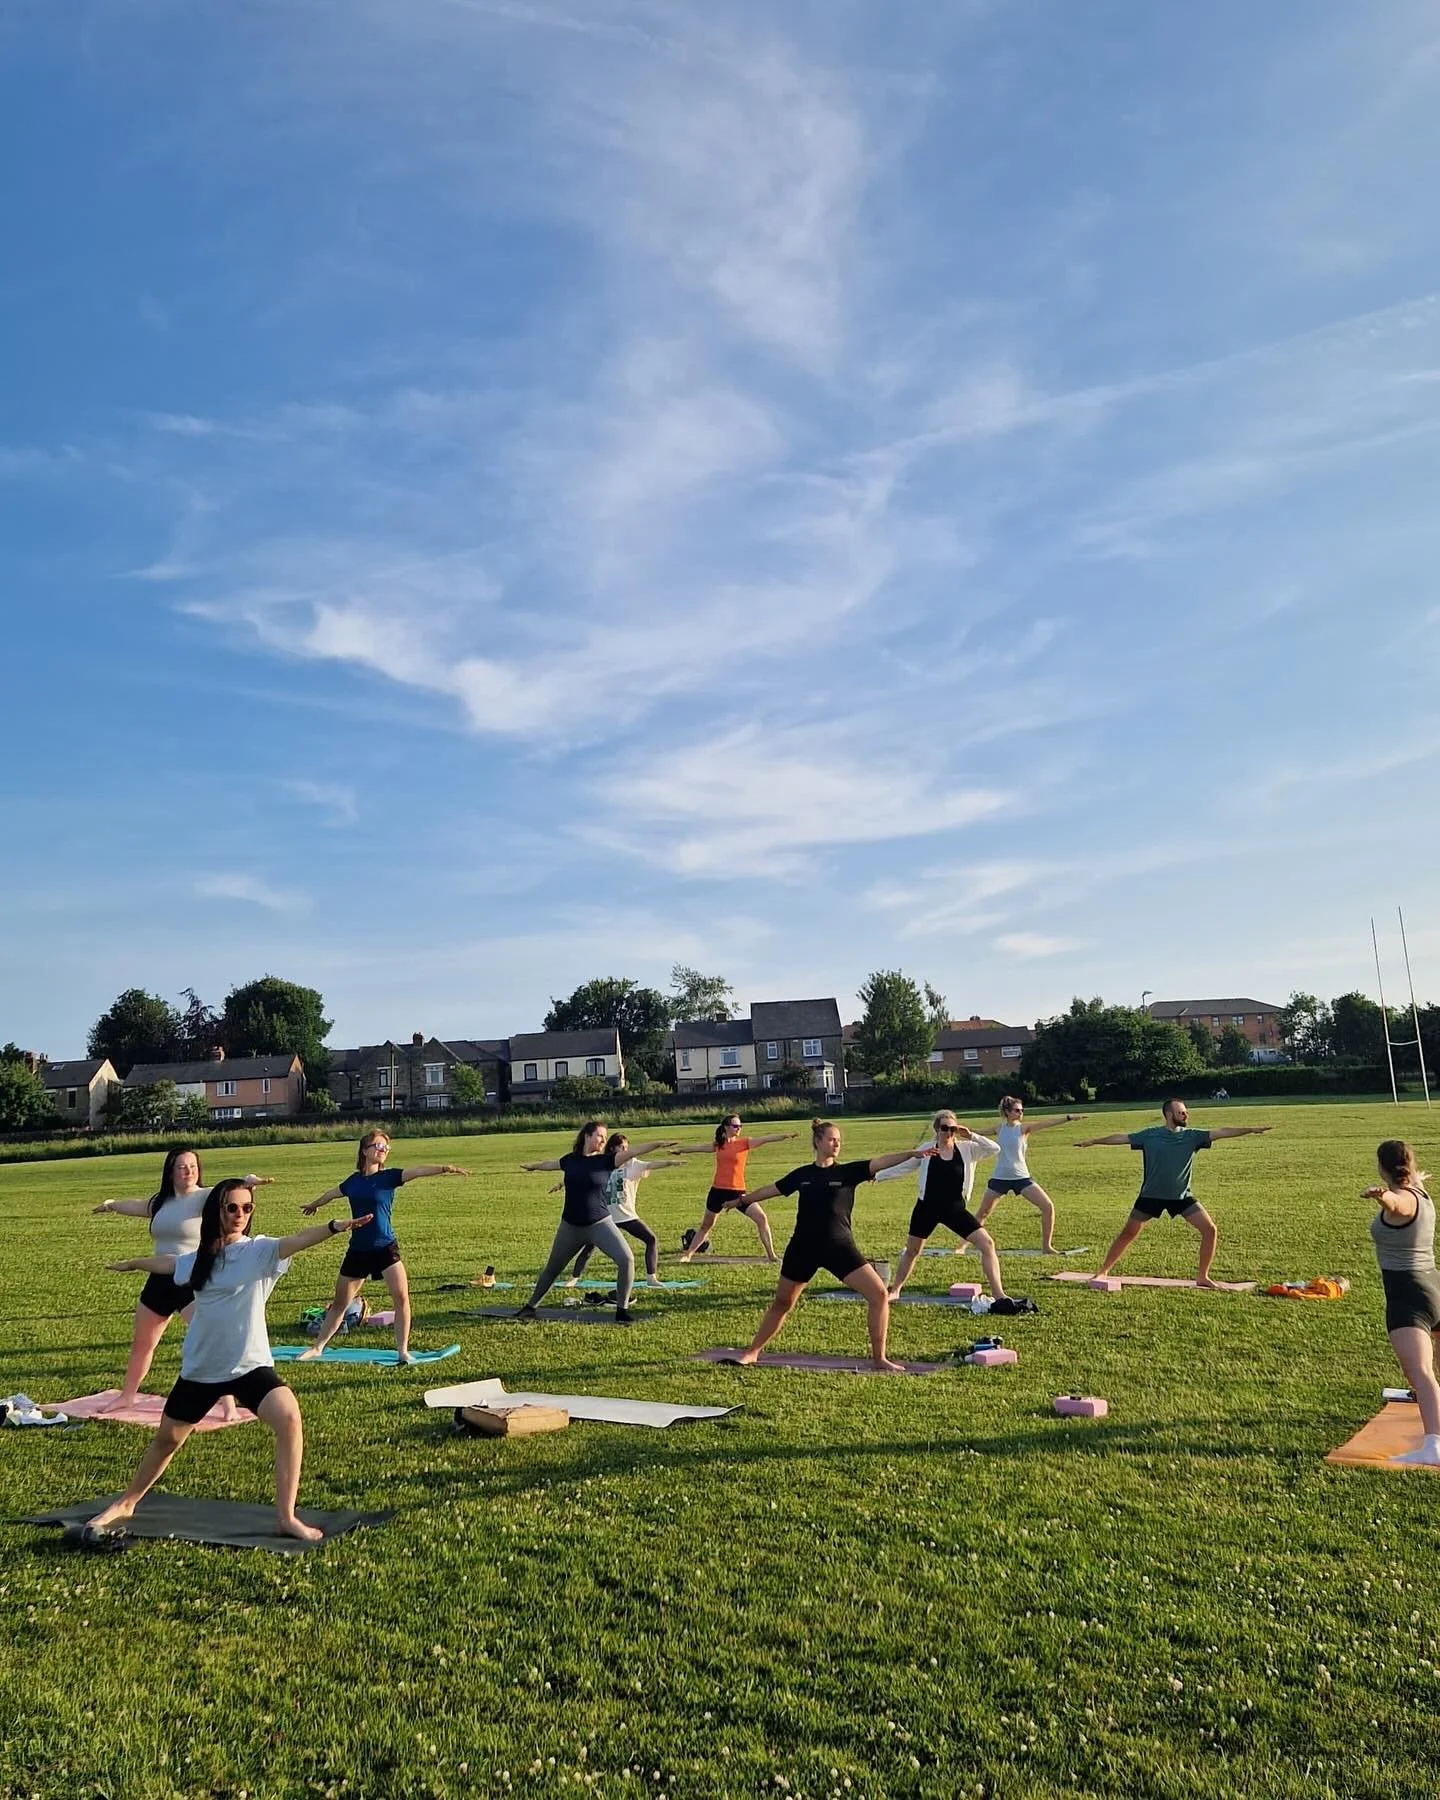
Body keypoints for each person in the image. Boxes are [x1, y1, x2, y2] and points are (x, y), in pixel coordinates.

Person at [86, 1179, 374, 1543]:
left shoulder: (262, 1252)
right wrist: (131, 1264)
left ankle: (286, 1516)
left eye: (247, 1208)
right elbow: (168, 1263)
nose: (240, 1215)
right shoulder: (199, 1260)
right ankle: (128, 1502)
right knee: (167, 1441)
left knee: (289, 1417)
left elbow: (298, 1240)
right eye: (231, 1208)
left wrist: (335, 1227)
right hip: (202, 1368)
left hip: (250, 1366)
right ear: (216, 1212)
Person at [728, 1119, 935, 1372]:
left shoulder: (848, 1173)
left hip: (839, 1248)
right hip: (803, 1247)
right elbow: (773, 1189)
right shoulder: (802, 1175)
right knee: (782, 1303)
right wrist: (741, 1202)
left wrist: (914, 1154)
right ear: (818, 1142)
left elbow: (881, 1162)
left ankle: (879, 1359)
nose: (837, 1143)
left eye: (838, 1140)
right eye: (831, 1139)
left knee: (879, 1294)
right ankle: (751, 1353)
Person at [92, 1148, 272, 1412]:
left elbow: (231, 1191)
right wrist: (110, 1205)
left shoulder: (205, 1197)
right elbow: (138, 1206)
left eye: (193, 1166)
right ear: (170, 1172)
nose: (188, 1171)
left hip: (191, 1278)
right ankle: (127, 1395)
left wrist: (249, 1181)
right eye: (181, 1167)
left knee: (213, 1343)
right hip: (159, 1279)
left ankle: (228, 1405)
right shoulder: (161, 1202)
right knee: (143, 1343)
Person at [298, 1130, 471, 1363]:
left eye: (385, 1148)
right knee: (340, 1303)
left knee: (401, 1299)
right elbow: (332, 1193)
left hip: (385, 1247)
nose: (382, 1151)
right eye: (378, 1146)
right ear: (364, 1151)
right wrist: (314, 1204)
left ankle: (403, 1351)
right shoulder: (353, 1181)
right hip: (358, 1249)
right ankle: (318, 1347)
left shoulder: (389, 1177)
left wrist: (445, 1168)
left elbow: (417, 1171)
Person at [1078, 1099, 1272, 1287]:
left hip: (1181, 1196)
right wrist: (1094, 1141)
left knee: (1210, 1229)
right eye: (1181, 1112)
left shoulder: (1193, 1136)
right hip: (1151, 1195)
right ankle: (1102, 1272)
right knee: (1128, 1234)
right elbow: (1121, 1138)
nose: (1186, 1114)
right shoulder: (1150, 1135)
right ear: (1169, 1114)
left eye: (1186, 1111)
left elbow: (1221, 1132)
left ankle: (1203, 1277)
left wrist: (1250, 1129)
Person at [517, 1122, 679, 1323]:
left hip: (600, 1224)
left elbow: (634, 1151)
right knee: (553, 1268)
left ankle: (622, 1310)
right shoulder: (570, 1160)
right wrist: (533, 1166)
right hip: (570, 1226)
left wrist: (659, 1143)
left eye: (605, 1137)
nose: (603, 1140)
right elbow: (550, 1164)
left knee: (626, 1259)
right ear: (586, 1136)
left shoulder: (606, 1161)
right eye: (600, 1136)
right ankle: (530, 1306)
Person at [874, 1110, 1007, 1301]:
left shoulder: (967, 1148)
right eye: (945, 1128)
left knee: (987, 1244)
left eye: (952, 1129)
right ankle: (895, 1290)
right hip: (927, 1208)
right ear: (937, 1129)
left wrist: (970, 1134)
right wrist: (879, 1176)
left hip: (954, 1209)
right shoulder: (928, 1149)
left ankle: (998, 1293)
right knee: (912, 1251)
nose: (949, 1133)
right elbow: (906, 1166)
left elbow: (995, 1149)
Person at [1364, 1139, 1440, 1466]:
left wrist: (1385, 1198)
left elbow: (1399, 1207)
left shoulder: (1402, 1199)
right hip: (1434, 1285)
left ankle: (1434, 1447)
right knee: (1428, 1373)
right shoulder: (1421, 1191)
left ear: (1382, 1168)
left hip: (1407, 1294)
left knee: (1421, 1372)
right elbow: (1409, 1193)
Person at [561, 1133, 680, 1289]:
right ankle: (574, 1278)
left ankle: (651, 1278)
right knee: (589, 1247)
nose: (625, 1150)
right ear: (612, 1148)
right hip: (605, 1217)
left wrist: (670, 1162)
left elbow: (651, 1164)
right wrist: (561, 1183)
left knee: (651, 1239)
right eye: (621, 1147)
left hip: (626, 1216)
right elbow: (582, 1174)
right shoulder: (604, 1163)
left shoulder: (634, 1165)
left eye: (626, 1147)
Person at [674, 1116, 799, 1262]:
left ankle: (771, 1255)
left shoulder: (744, 1143)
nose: (738, 1128)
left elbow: (765, 1139)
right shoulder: (719, 1144)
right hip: (718, 1191)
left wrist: (784, 1136)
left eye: (740, 1126)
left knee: (761, 1218)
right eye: (735, 1126)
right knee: (706, 1225)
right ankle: (688, 1254)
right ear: (726, 1127)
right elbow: (698, 1148)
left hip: (738, 1192)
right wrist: (680, 1150)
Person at [972, 1097, 1084, 1253]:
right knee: (982, 1213)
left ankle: (1047, 1247)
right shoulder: (999, 1128)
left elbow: (1045, 1123)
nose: (1021, 1113)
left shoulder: (1023, 1128)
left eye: (1022, 1110)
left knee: (1048, 1207)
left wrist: (1067, 1118)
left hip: (1022, 1178)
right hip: (1000, 1177)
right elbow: (976, 1134)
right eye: (1017, 1110)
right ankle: (961, 1246)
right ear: (1007, 1112)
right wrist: (953, 1128)